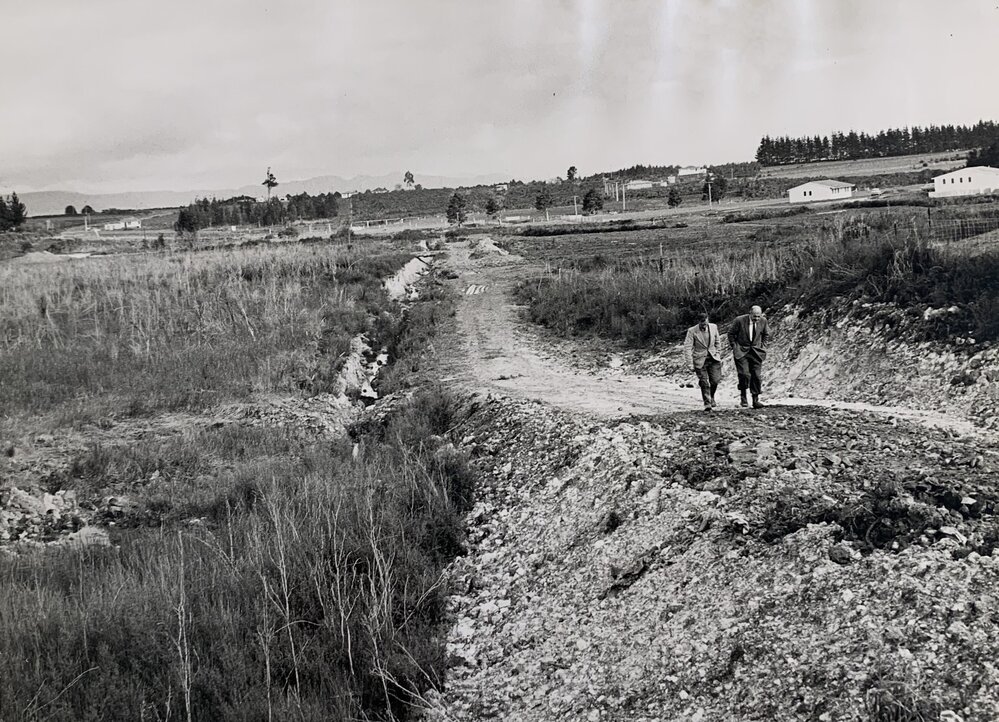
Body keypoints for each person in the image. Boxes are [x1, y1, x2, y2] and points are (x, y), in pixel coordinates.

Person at [727, 305, 769, 409]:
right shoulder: (739, 320)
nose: (757, 319)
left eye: (759, 316)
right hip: (742, 351)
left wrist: (763, 346)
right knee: (744, 374)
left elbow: (766, 334)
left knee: (756, 376)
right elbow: (731, 334)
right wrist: (735, 346)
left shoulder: (763, 321)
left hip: (756, 352)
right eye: (755, 316)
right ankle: (743, 396)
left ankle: (755, 400)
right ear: (750, 313)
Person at [683, 312, 722, 412]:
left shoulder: (713, 327)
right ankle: (707, 403)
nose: (704, 325)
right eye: (702, 323)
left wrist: (718, 353)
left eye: (705, 322)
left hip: (713, 358)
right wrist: (690, 363)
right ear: (698, 322)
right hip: (700, 360)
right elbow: (687, 348)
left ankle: (711, 396)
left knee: (715, 380)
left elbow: (718, 342)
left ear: (707, 319)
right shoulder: (692, 331)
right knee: (704, 382)